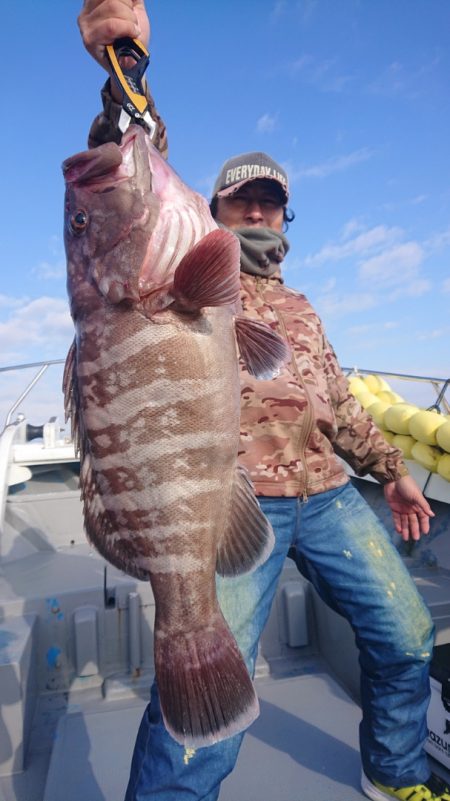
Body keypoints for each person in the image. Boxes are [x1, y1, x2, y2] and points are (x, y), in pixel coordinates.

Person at [78, 3, 450, 800]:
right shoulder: (198, 276)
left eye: (270, 203)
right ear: (210, 212)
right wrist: (125, 82)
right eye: (240, 199)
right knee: (208, 678)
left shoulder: (305, 308)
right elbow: (132, 177)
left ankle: (396, 772)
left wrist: (390, 470)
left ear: (287, 218)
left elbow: (340, 405)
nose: (256, 211)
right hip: (234, 500)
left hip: (328, 495)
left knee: (407, 629)